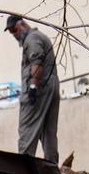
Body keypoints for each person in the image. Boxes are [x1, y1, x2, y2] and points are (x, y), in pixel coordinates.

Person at [6, 15, 60, 164]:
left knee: (27, 130)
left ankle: (24, 173)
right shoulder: (40, 37)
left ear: (22, 24)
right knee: (48, 134)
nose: (14, 35)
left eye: (14, 30)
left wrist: (33, 88)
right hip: (51, 87)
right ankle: (51, 168)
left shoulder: (32, 39)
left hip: (39, 90)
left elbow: (37, 62)